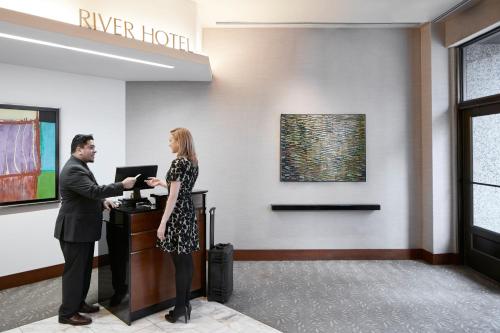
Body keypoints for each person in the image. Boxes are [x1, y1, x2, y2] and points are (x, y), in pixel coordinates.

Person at [54, 134, 137, 326]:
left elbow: (87, 195)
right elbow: (92, 191)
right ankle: (67, 313)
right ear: (79, 149)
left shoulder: (80, 167)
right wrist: (122, 186)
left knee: (83, 271)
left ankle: (78, 303)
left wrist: (102, 202)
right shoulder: (74, 169)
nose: (94, 151)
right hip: (74, 231)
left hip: (82, 230)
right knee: (74, 273)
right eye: (91, 147)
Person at [145, 128, 199, 324]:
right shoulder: (193, 161)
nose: (169, 143)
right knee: (186, 262)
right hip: (188, 214)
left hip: (177, 217)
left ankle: (178, 309)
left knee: (179, 264)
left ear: (180, 142)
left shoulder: (177, 162)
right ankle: (185, 305)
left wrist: (162, 223)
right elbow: (181, 188)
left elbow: (174, 196)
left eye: (171, 140)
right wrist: (161, 182)